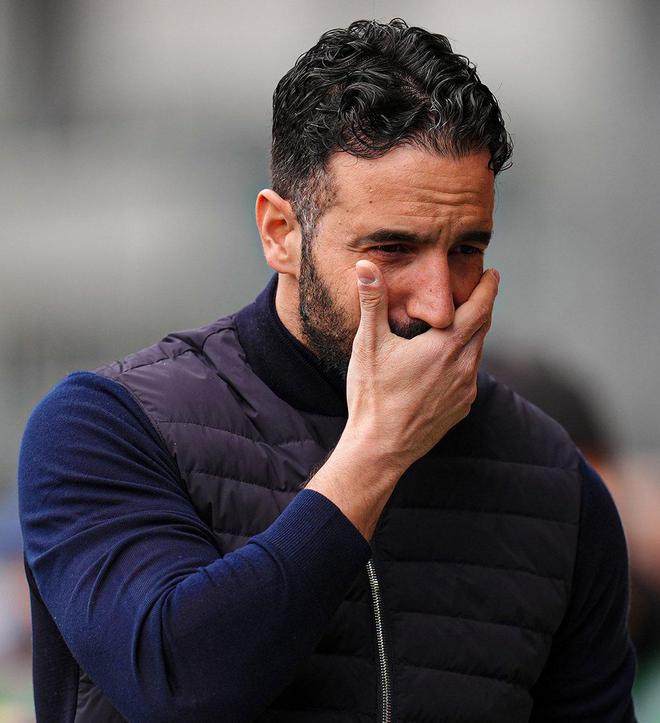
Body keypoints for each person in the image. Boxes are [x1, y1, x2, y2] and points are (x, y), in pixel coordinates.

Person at [18, 18, 636, 723]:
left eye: (467, 249)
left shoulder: (552, 481)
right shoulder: (106, 428)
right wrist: (376, 453)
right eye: (392, 249)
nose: (438, 303)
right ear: (281, 233)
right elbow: (177, 688)